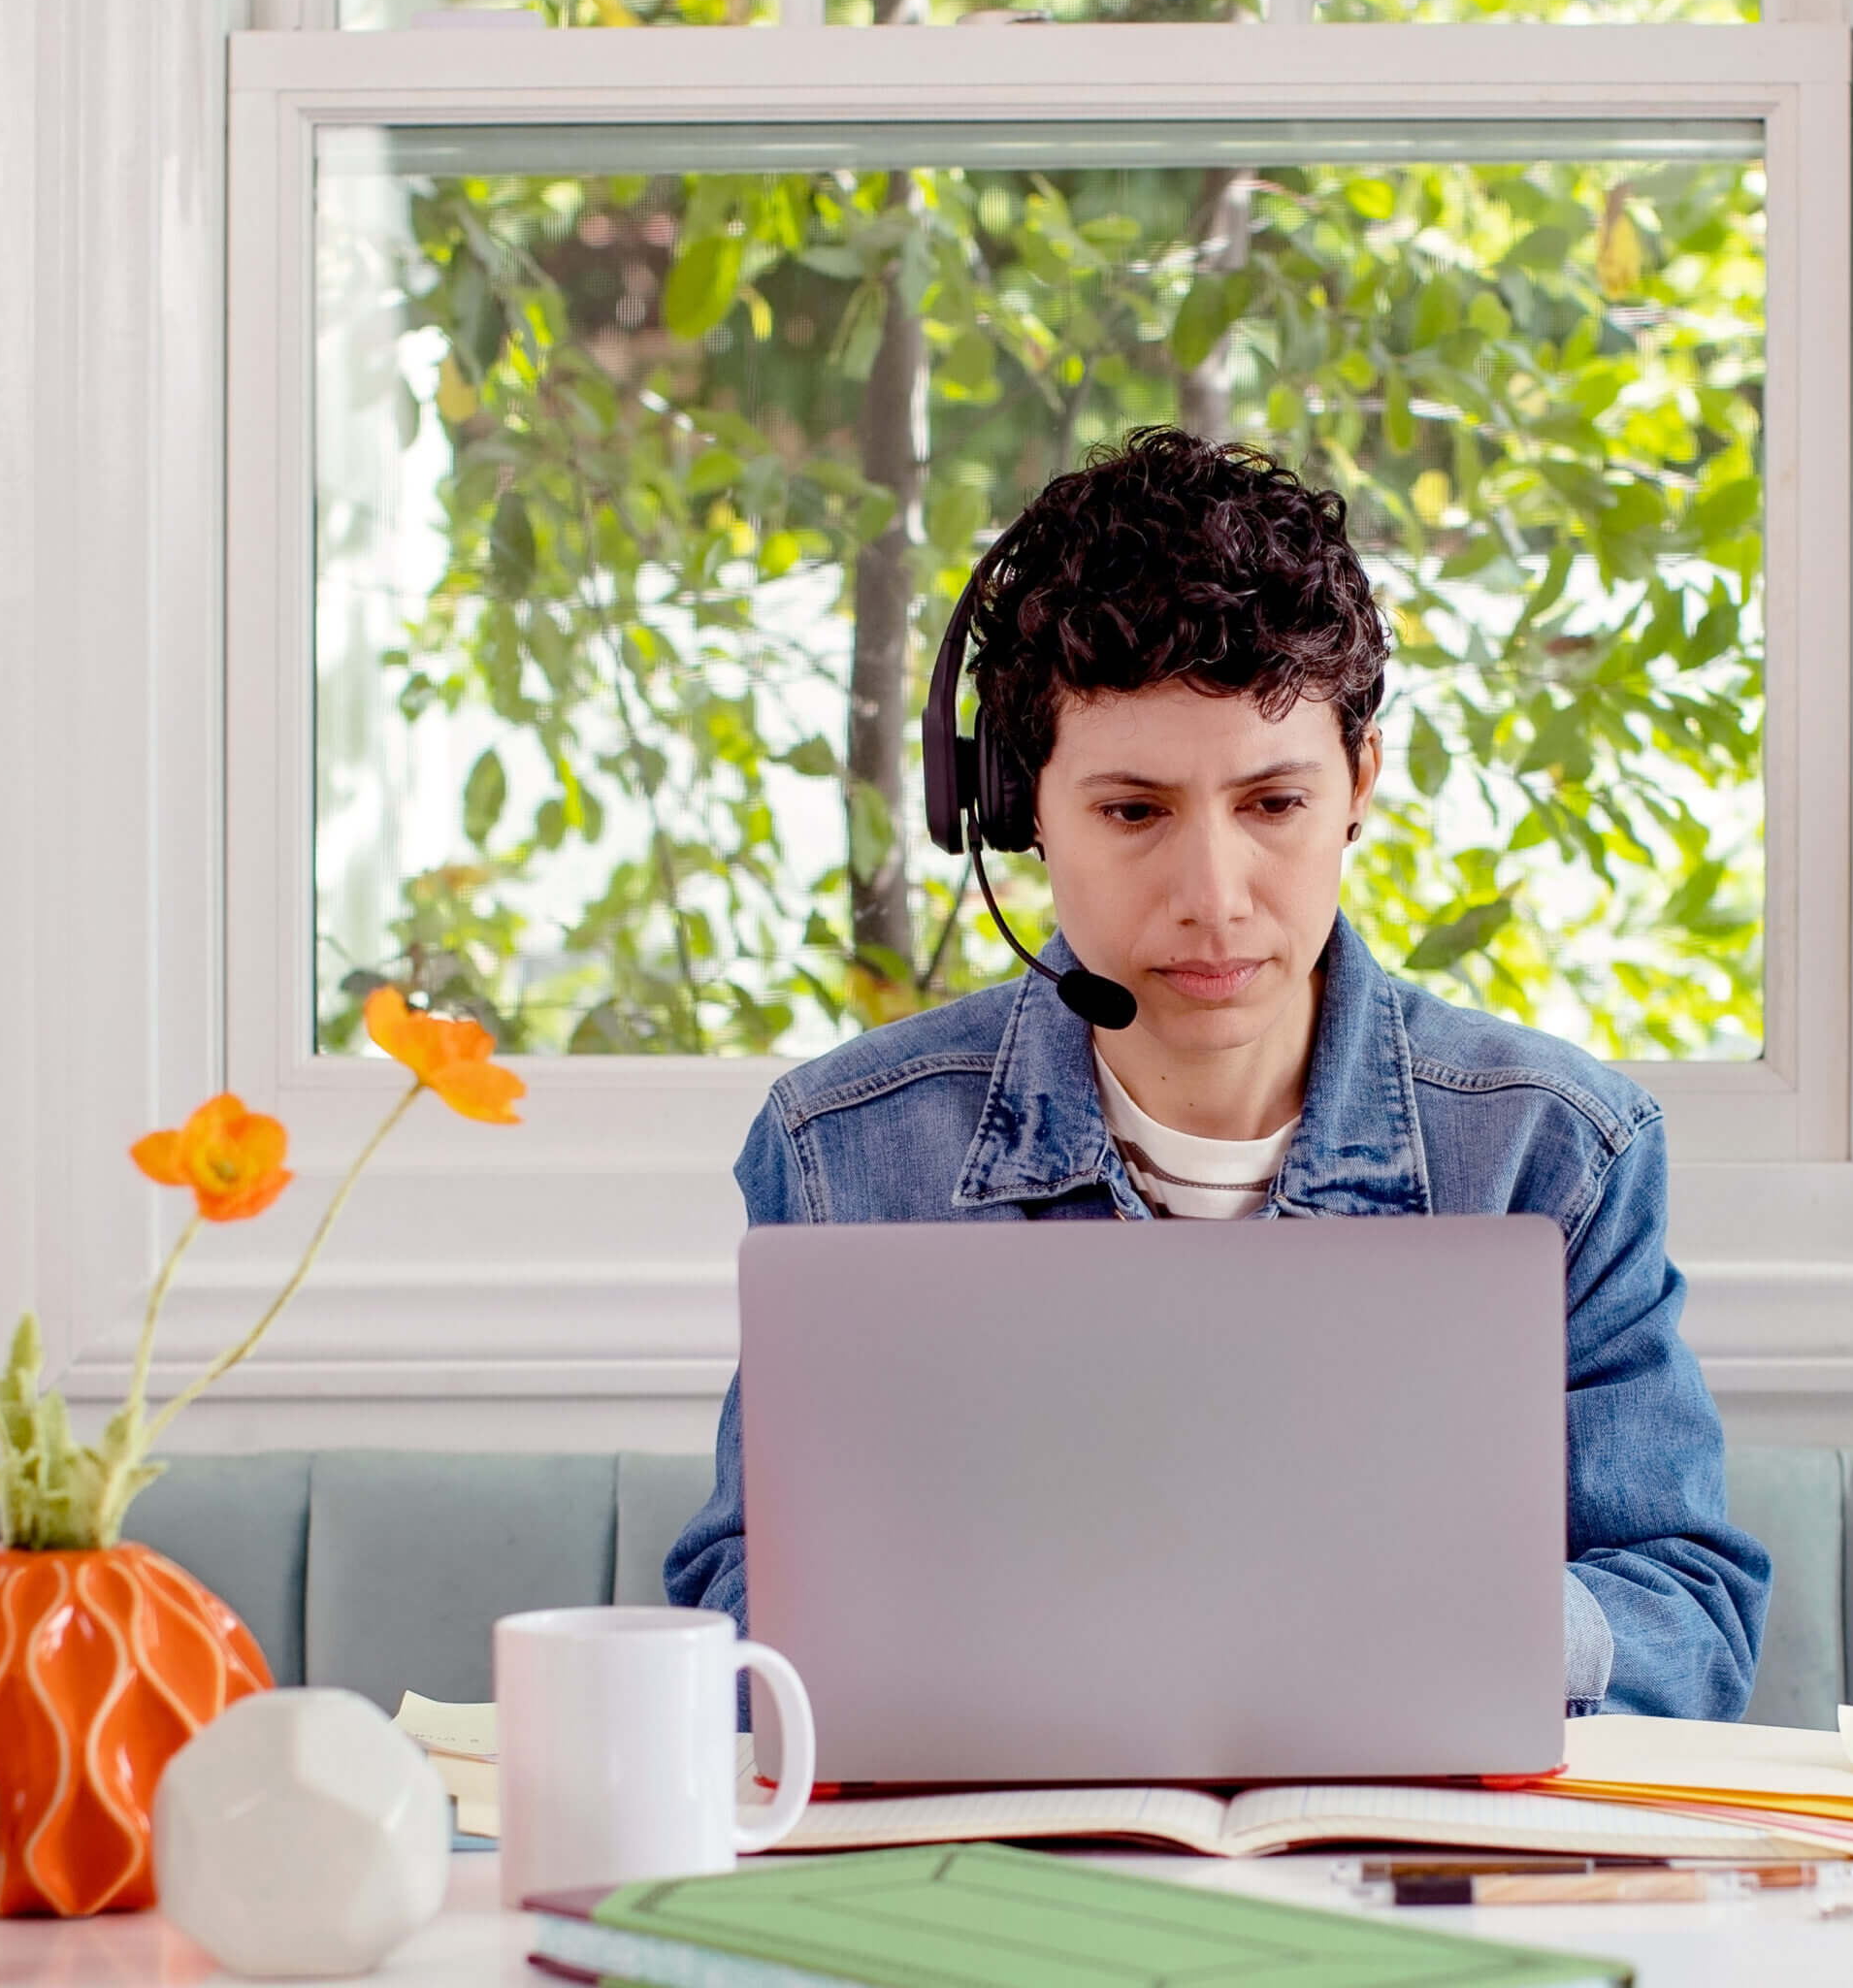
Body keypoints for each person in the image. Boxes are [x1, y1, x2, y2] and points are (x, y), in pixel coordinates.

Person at [667, 427, 1769, 1718]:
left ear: (1360, 782)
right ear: (1016, 808)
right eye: (1134, 812)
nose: (1213, 898)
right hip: (1010, 1870)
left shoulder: (1555, 1150)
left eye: (1273, 806)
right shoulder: (843, 1150)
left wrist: (1462, 1616)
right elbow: (730, 1607)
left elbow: (1689, 1618)